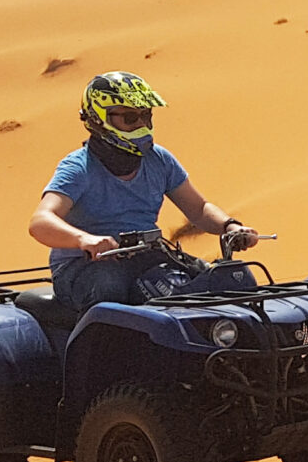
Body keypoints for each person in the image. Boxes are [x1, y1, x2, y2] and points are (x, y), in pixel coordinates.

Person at [28, 71, 261, 311]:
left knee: (224, 278)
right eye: (130, 118)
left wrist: (230, 226)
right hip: (84, 268)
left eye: (145, 115)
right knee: (111, 289)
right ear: (100, 118)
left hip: (147, 259)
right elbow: (40, 222)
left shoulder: (158, 159)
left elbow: (199, 209)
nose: (141, 124)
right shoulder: (79, 167)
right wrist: (85, 240)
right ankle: (105, 347)